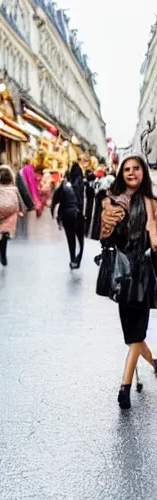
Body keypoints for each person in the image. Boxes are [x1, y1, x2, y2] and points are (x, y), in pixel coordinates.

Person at [100, 153, 157, 410]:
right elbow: (103, 240)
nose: (131, 173)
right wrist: (107, 223)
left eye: (136, 168)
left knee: (136, 331)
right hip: (122, 273)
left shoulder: (152, 203)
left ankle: (124, 388)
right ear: (121, 174)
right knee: (132, 334)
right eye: (127, 169)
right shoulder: (112, 202)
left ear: (143, 172)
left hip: (144, 270)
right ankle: (155, 363)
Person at [51, 163, 85, 269]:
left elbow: (55, 199)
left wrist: (54, 213)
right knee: (80, 238)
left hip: (67, 214)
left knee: (70, 238)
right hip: (78, 213)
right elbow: (82, 200)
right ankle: (78, 259)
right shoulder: (81, 184)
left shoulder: (64, 184)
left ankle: (72, 259)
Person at [0, 165, 25, 266]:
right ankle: (6, 235)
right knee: (8, 224)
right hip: (11, 212)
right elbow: (19, 200)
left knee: (1, 226)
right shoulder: (13, 189)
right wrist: (21, 210)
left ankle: (1, 237)